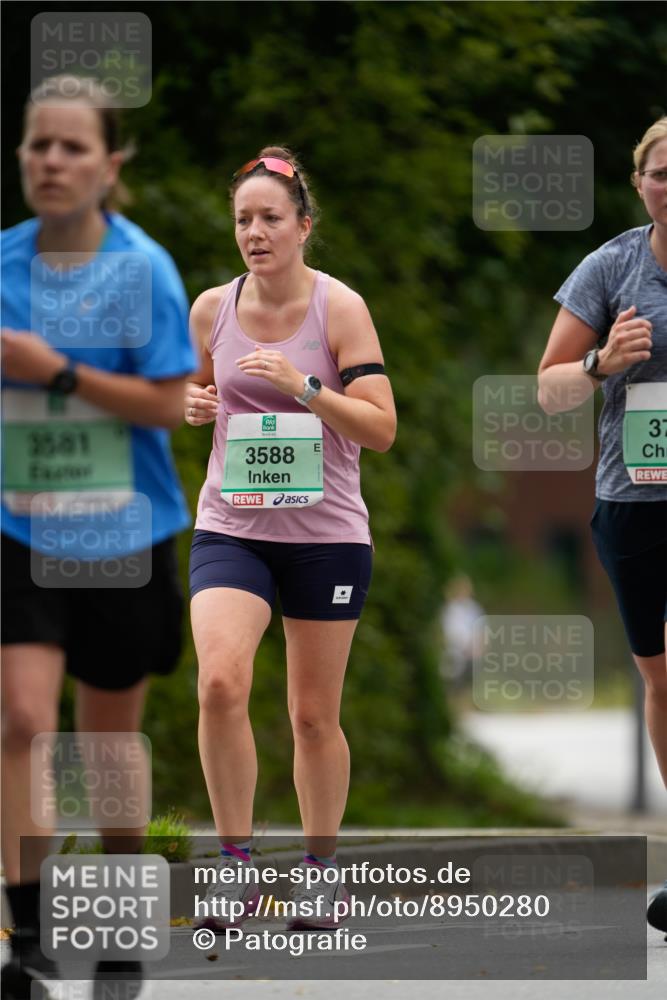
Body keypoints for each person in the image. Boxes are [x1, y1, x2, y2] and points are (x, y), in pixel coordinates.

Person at [1, 75, 195, 998]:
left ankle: (118, 934)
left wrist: (58, 373)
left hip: (123, 528)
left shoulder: (142, 270)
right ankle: (29, 941)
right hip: (18, 524)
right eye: (38, 144)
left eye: (72, 146)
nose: (51, 160)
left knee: (107, 745)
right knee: (22, 720)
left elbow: (168, 402)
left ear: (110, 164)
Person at [186, 146, 396, 930]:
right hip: (231, 528)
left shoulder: (338, 309)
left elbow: (380, 428)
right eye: (243, 219)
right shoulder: (211, 308)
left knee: (312, 716)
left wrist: (304, 387)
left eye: (270, 217)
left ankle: (319, 872)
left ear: (303, 226)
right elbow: (196, 389)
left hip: (325, 537)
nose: (254, 232)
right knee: (219, 683)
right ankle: (234, 865)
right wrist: (190, 404)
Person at [537, 117, 667, 937]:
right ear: (639, 182)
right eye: (660, 173)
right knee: (661, 678)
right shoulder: (610, 267)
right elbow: (548, 389)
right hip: (635, 499)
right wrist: (601, 362)